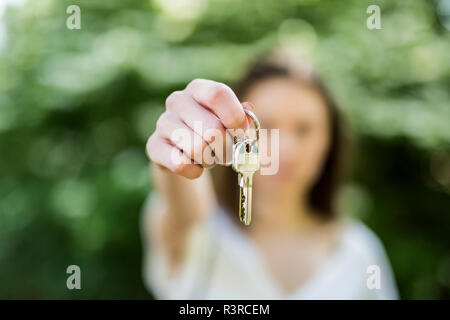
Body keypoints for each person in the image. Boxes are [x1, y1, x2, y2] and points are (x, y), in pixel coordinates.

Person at [141, 47, 399, 299]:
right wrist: (175, 154)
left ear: (328, 141)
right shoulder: (202, 230)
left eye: (304, 129)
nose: (285, 149)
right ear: (236, 133)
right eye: (266, 125)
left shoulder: (359, 253)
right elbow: (184, 211)